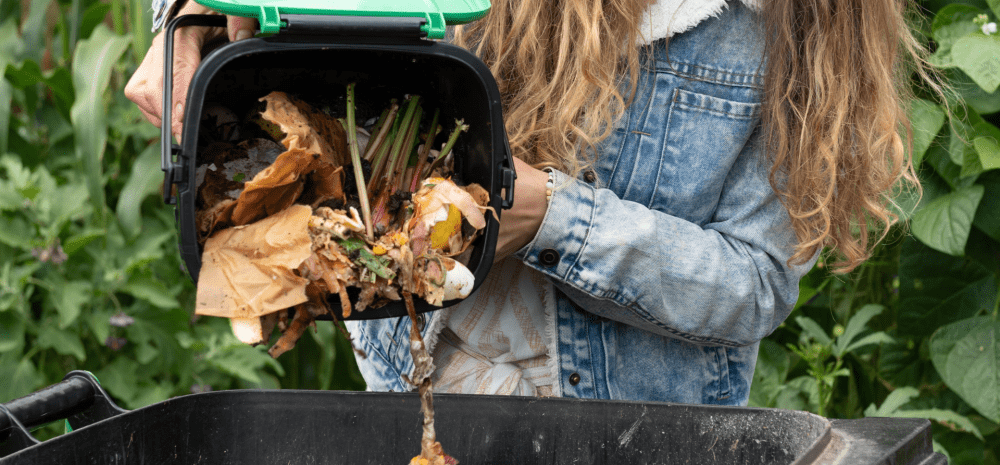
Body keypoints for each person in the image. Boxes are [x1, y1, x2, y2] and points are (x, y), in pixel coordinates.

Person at [126, 0, 949, 405]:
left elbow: (756, 285)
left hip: (639, 437)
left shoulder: (784, 27)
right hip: (424, 408)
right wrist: (188, 17)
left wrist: (558, 218)